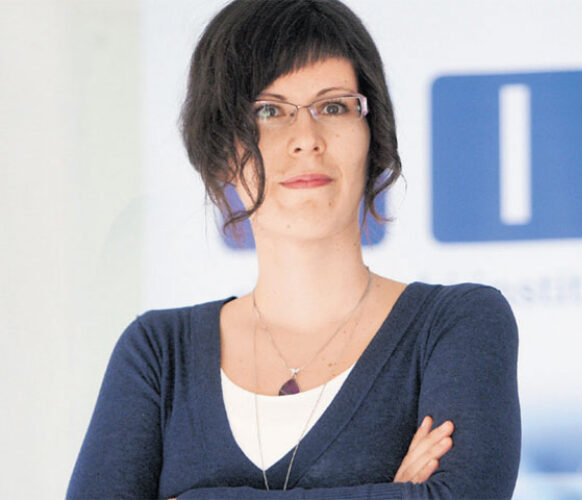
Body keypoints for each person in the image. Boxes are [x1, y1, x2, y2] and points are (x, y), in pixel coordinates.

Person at [67, 0, 520, 498]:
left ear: (372, 134)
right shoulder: (159, 353)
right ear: (222, 150)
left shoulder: (457, 324)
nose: (307, 138)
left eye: (334, 107)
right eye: (269, 111)